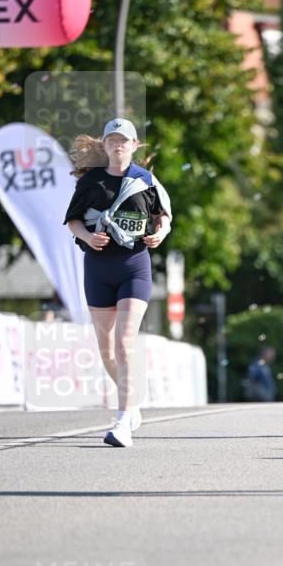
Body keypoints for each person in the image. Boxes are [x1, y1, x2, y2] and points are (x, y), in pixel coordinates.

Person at [64, 118, 172, 447]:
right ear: (105, 145)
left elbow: (163, 216)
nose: (118, 145)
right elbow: (72, 221)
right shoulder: (92, 181)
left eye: (124, 140)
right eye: (112, 140)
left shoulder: (146, 181)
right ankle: (132, 399)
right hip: (97, 268)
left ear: (135, 145)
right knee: (106, 349)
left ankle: (123, 420)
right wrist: (87, 236)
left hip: (133, 268)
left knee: (125, 343)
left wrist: (160, 232)